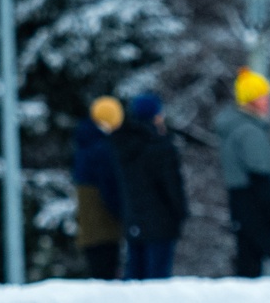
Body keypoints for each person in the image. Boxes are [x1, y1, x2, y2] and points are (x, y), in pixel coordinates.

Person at [214, 67, 270, 278]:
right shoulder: (250, 131)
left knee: (248, 265)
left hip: (239, 203)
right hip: (257, 203)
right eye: (263, 96)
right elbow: (261, 175)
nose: (268, 101)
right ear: (250, 99)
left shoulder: (231, 128)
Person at [110, 92, 188, 280]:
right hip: (161, 222)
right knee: (157, 279)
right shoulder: (161, 147)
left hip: (134, 220)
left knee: (135, 277)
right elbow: (172, 186)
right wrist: (180, 213)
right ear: (156, 116)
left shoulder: (122, 144)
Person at [71, 96, 125, 280]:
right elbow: (108, 188)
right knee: (107, 276)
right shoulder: (103, 149)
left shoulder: (84, 142)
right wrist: (122, 213)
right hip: (104, 226)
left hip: (88, 227)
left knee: (97, 272)